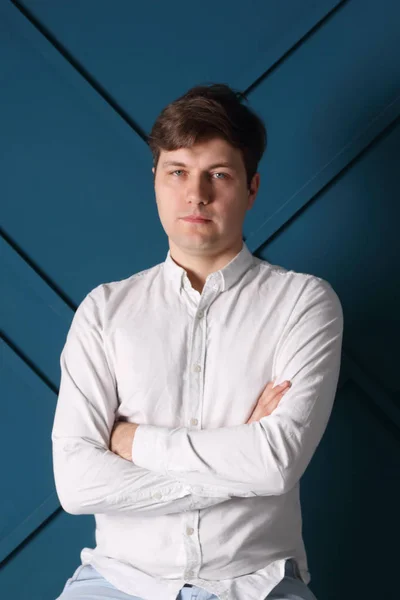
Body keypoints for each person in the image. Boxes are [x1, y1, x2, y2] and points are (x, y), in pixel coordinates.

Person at [52, 83, 343, 600]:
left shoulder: (305, 303)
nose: (197, 194)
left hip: (256, 584)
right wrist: (236, 465)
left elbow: (274, 464)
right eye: (178, 172)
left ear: (252, 188)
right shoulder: (103, 310)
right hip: (118, 580)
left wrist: (132, 442)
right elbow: (77, 485)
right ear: (156, 182)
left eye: (219, 175)